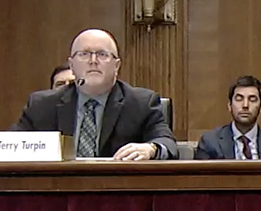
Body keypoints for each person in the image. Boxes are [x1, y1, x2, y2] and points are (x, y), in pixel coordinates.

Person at [12, 28, 177, 160]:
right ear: (72, 64)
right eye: (84, 54)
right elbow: (10, 146)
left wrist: (151, 149)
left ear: (116, 66)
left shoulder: (141, 103)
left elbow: (167, 143)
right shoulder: (42, 105)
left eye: (102, 54)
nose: (93, 60)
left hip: (119, 192)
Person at [195, 76, 261, 160]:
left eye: (252, 99)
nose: (245, 105)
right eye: (239, 99)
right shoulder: (210, 143)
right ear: (229, 106)